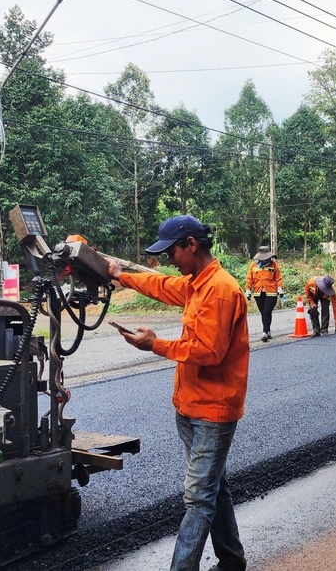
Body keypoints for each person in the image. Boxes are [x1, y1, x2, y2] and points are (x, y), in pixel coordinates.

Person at [106, 215, 248, 571]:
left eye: (173, 251)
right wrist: (118, 274)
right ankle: (232, 561)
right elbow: (161, 284)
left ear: (191, 244)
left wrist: (155, 344)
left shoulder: (220, 289)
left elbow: (209, 352)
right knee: (215, 487)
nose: (170, 258)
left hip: (213, 410)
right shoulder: (197, 283)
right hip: (190, 405)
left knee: (199, 498)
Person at [244, 246, 283, 342]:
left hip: (271, 292)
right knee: (264, 313)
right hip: (258, 293)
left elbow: (278, 278)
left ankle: (264, 332)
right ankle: (268, 331)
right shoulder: (253, 266)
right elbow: (249, 279)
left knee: (266, 312)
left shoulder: (273, 265)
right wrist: (248, 290)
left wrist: (279, 288)